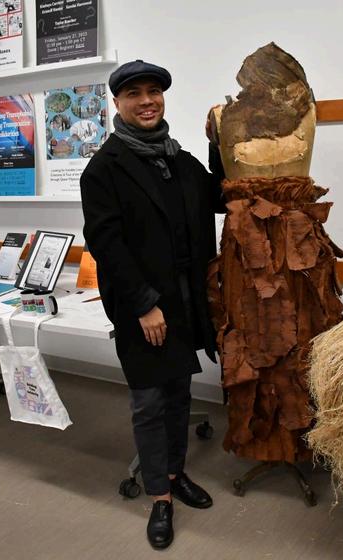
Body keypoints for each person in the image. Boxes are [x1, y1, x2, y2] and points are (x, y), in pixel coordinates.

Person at [80, 59, 224, 550]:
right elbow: (107, 244)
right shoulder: (104, 168)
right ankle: (159, 495)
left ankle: (176, 473)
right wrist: (144, 305)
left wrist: (218, 143)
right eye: (135, 94)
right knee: (149, 401)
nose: (147, 101)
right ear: (117, 103)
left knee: (180, 393)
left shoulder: (179, 160)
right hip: (142, 307)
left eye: (154, 92)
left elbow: (219, 196)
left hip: (184, 302)